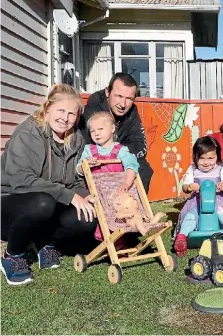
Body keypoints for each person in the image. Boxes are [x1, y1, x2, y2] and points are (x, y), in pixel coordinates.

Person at [1, 84, 97, 285]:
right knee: (42, 203)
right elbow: (22, 181)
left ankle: (46, 243)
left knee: (86, 217)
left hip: (49, 203)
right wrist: (69, 196)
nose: (65, 118)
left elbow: (77, 180)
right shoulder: (29, 133)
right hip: (10, 203)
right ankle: (13, 255)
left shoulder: (77, 139)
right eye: (61, 110)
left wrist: (84, 195)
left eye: (72, 113)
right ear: (47, 108)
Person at [173, 137, 223, 257]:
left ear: (217, 157)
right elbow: (184, 187)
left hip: (219, 200)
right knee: (190, 217)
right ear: (195, 157)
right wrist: (190, 187)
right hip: (198, 201)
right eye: (202, 158)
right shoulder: (193, 169)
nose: (206, 162)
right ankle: (181, 239)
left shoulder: (221, 169)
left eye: (210, 158)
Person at [79, 73, 153, 193]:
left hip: (119, 154)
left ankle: (133, 207)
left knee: (143, 167)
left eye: (129, 99)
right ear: (107, 92)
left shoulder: (132, 111)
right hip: (95, 159)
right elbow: (86, 142)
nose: (123, 104)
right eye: (119, 96)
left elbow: (139, 144)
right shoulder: (94, 108)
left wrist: (121, 155)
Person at [76, 111, 141, 240]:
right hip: (98, 193)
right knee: (99, 215)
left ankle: (119, 241)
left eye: (100, 129)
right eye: (93, 131)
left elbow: (131, 166)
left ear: (112, 129)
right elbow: (78, 169)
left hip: (116, 193)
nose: (96, 133)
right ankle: (108, 241)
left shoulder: (121, 150)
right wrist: (85, 164)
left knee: (120, 215)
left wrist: (126, 183)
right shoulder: (89, 150)